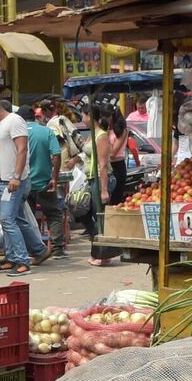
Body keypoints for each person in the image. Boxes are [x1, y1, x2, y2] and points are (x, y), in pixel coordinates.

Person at [0, 99, 42, 276]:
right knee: (6, 220)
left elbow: (21, 149)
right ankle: (12, 258)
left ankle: (22, 261)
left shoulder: (15, 121)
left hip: (12, 182)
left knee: (8, 220)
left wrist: (16, 176)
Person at [86, 105, 134, 267]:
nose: (104, 119)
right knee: (102, 214)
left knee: (107, 212)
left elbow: (112, 153)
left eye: (106, 116)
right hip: (104, 171)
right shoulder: (104, 132)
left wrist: (104, 188)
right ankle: (103, 250)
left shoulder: (120, 131)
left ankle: (107, 251)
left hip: (115, 169)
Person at [25, 110, 64, 260]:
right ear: (35, 117)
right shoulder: (46, 131)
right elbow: (57, 154)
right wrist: (55, 177)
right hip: (45, 182)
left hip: (25, 183)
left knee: (28, 218)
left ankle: (34, 249)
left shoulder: (17, 133)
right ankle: (57, 249)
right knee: (53, 214)